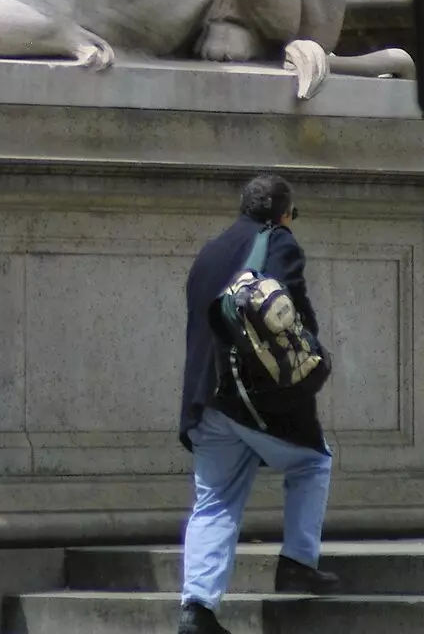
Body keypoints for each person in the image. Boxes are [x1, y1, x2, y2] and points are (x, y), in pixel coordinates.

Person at [176, 174, 339, 634]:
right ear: (282, 213)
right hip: (255, 398)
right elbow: (293, 313)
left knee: (214, 502)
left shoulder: (209, 251)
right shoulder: (279, 243)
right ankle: (297, 561)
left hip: (204, 399)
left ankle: (197, 610)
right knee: (312, 463)